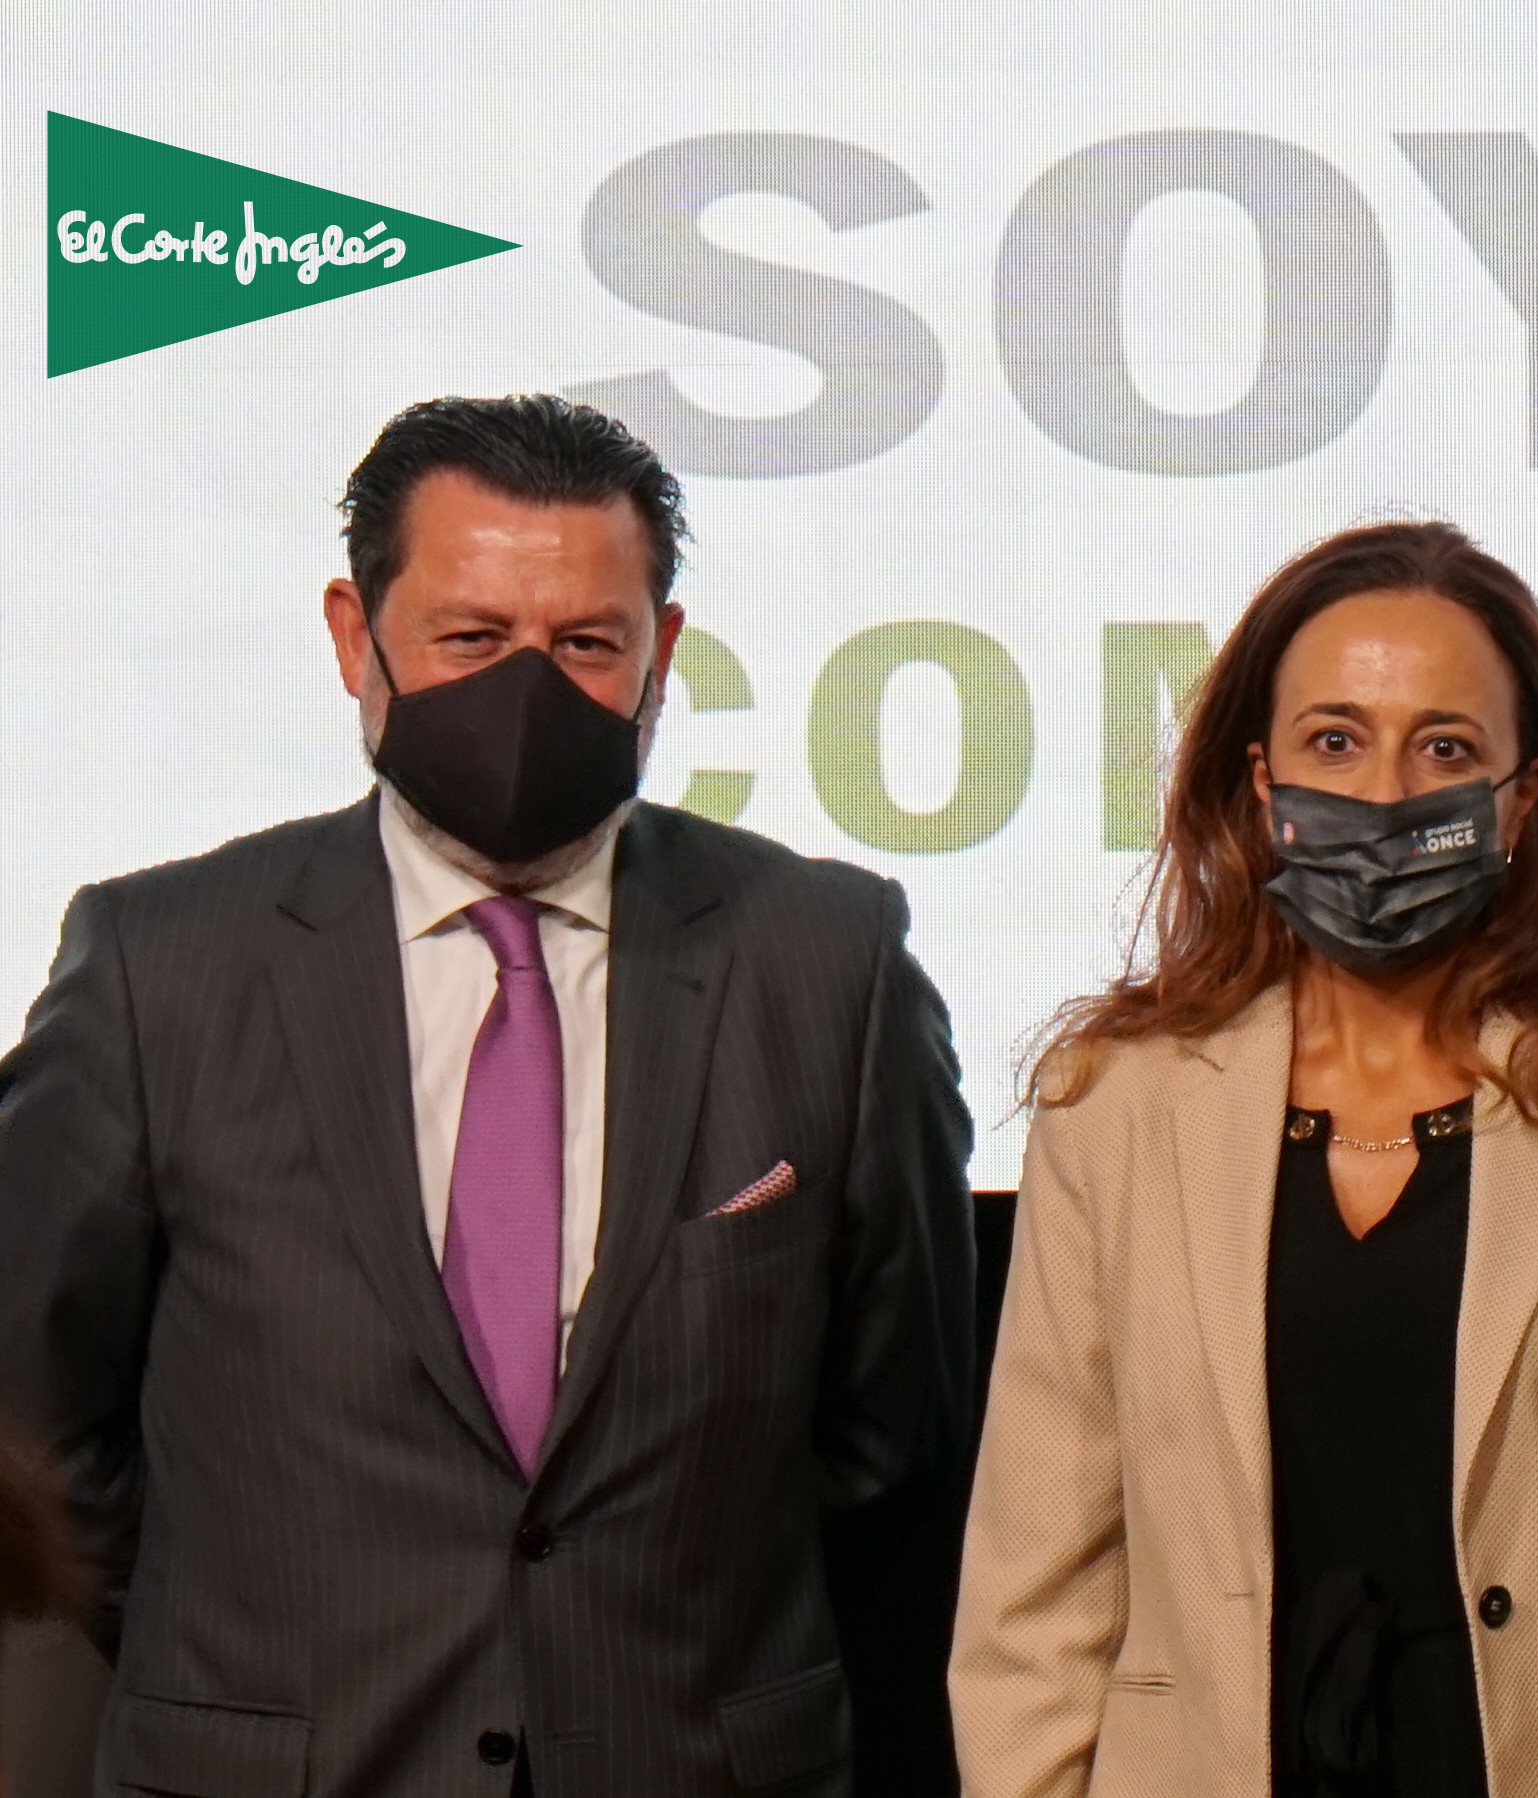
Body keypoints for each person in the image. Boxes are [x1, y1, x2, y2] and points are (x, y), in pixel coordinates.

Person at [0, 396, 975, 1798]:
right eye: (470, 638)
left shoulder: (831, 960)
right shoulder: (158, 963)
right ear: (355, 637)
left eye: (586, 644)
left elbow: (893, 1441)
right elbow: (31, 1429)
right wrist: (262, 1640)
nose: (530, 690)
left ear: (662, 654)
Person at [950, 520, 1538, 1798]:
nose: (1381, 794)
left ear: (1521, 797)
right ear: (1260, 781)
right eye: (1333, 740)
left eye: (1443, 747)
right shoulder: (1112, 1107)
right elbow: (1035, 1594)